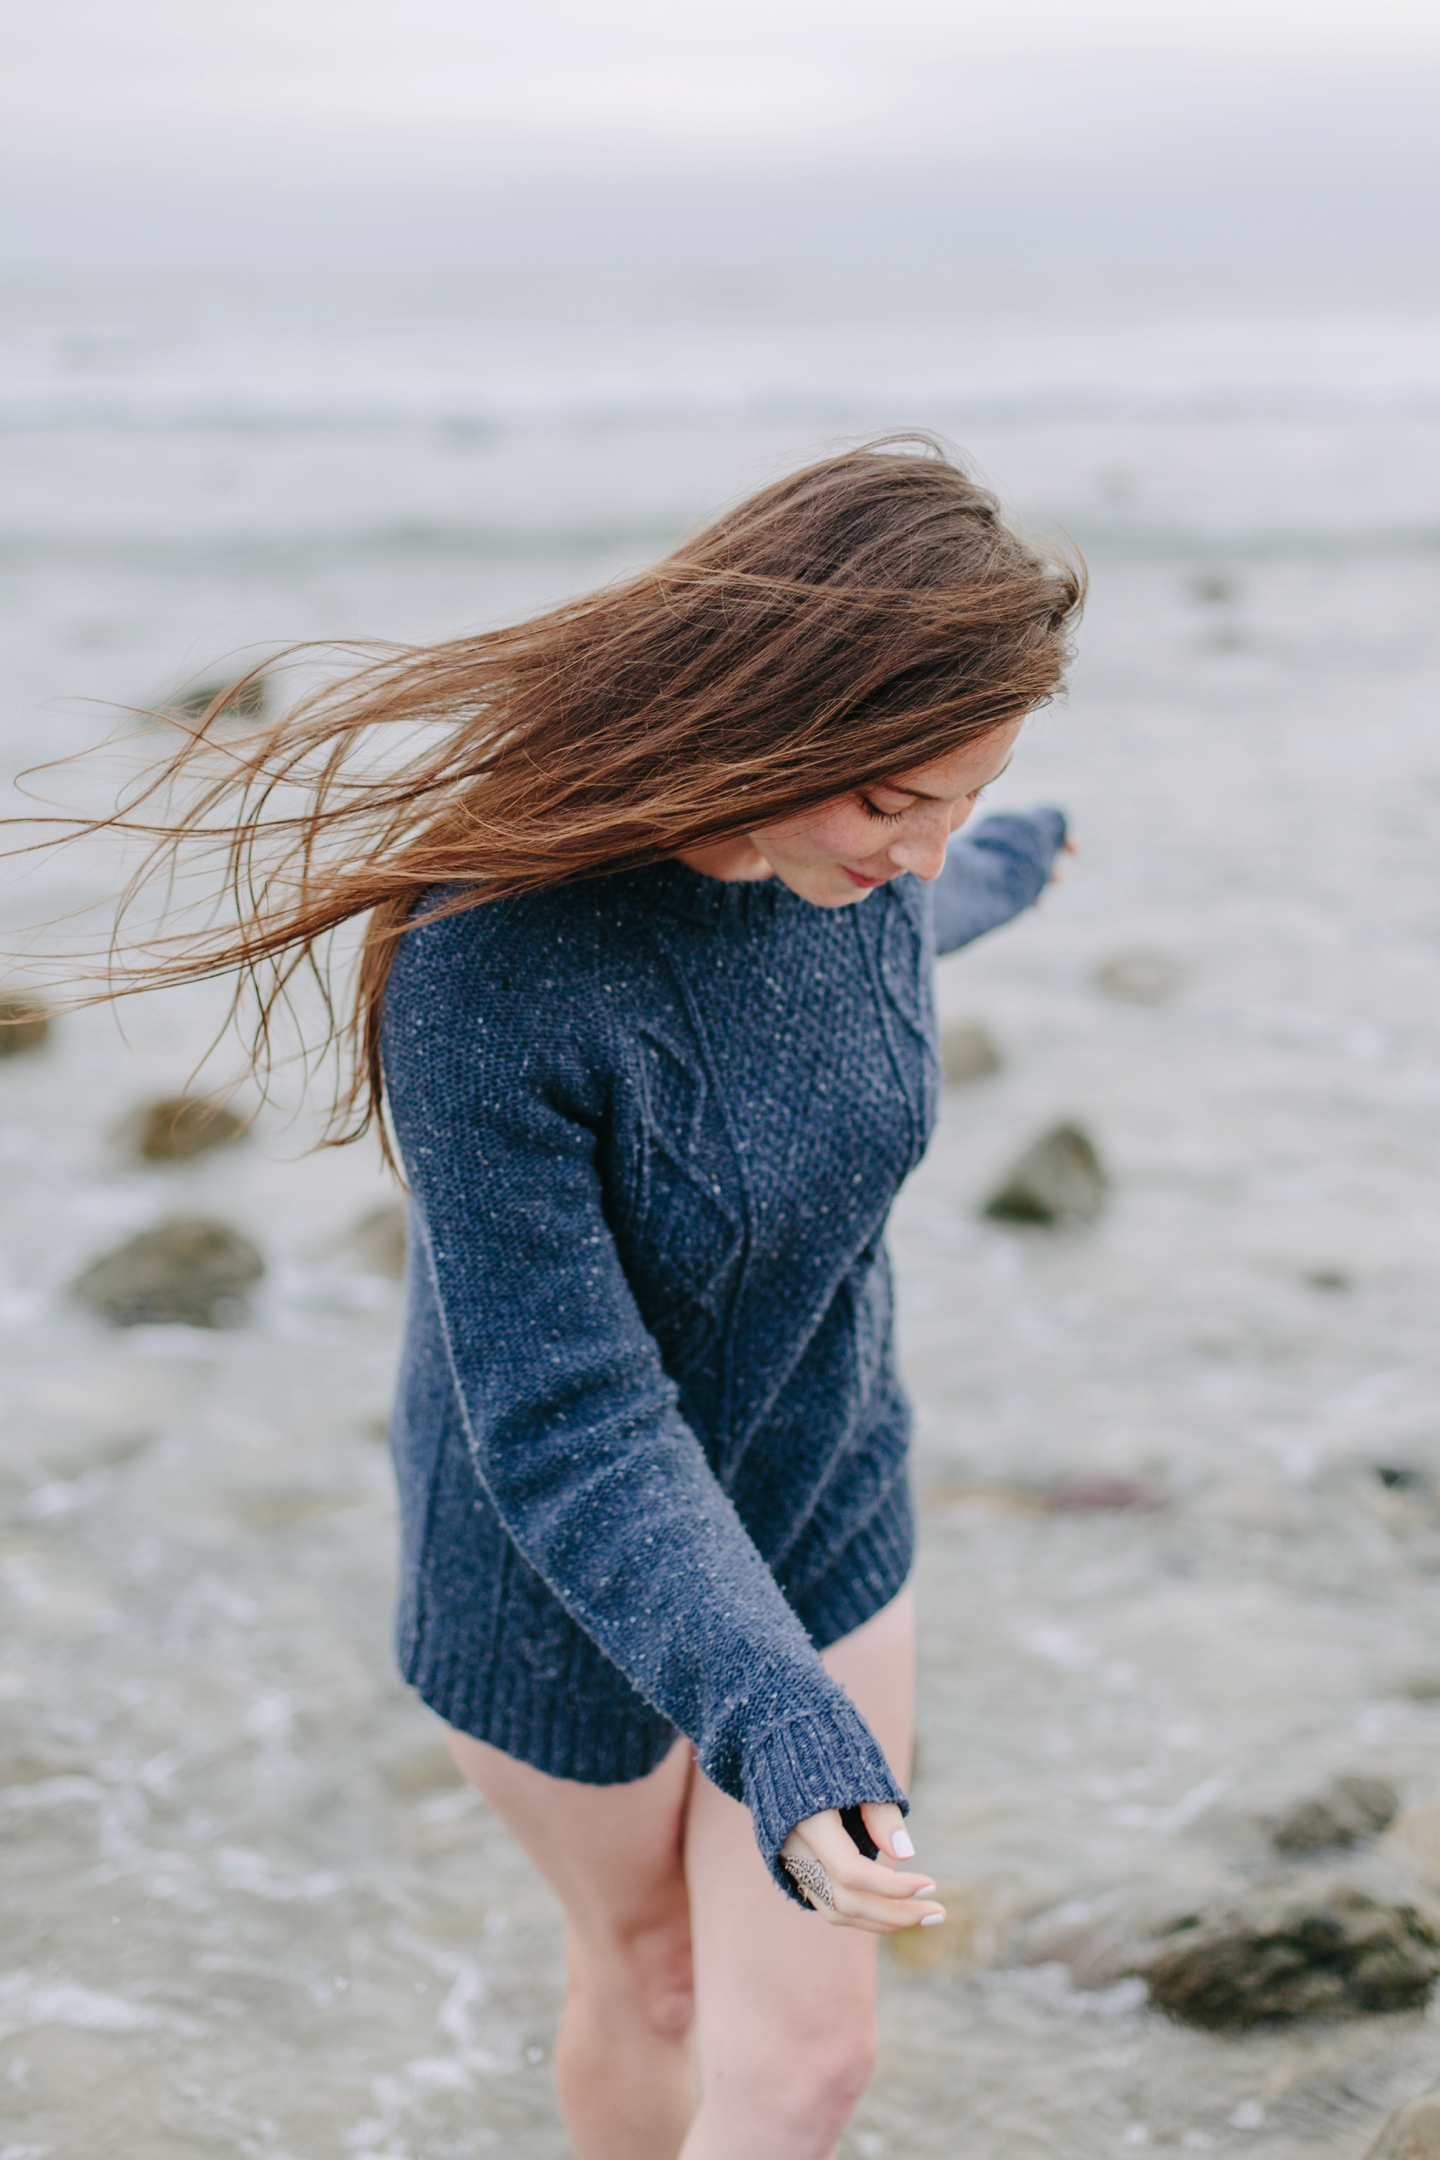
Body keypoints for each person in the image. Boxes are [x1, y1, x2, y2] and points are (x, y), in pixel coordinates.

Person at [69, 440, 1082, 2158]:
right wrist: (771, 1715)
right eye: (895, 803)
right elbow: (573, 1423)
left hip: (824, 1505)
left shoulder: (872, 878)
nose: (919, 854)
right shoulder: (493, 968)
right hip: (562, 1578)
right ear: (775, 726)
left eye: (963, 798)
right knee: (654, 1980)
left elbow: (910, 930)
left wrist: (1015, 856)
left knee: (814, 2067)